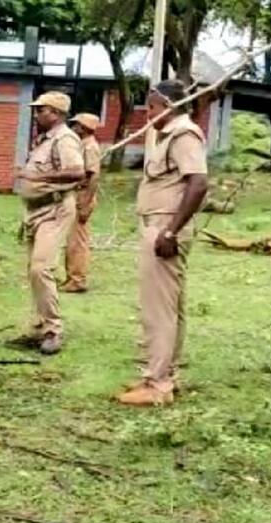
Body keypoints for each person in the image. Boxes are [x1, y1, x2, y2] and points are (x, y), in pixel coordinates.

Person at [118, 80, 208, 406]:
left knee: (159, 310)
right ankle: (164, 374)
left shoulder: (184, 135)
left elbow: (198, 185)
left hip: (165, 227)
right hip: (160, 225)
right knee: (170, 309)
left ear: (169, 105)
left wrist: (169, 232)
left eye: (153, 107)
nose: (148, 113)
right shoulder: (167, 134)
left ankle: (157, 384)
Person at [11, 91, 85, 355]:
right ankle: (40, 326)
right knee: (33, 270)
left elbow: (78, 172)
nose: (36, 114)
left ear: (55, 113)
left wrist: (39, 177)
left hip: (54, 209)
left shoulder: (65, 139)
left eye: (41, 110)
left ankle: (54, 330)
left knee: (41, 269)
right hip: (36, 211)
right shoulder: (44, 140)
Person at [62, 113, 102, 293]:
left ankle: (77, 280)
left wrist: (85, 203)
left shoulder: (90, 147)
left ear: (84, 128)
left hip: (82, 197)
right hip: (77, 196)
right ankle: (71, 277)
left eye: (76, 125)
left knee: (77, 242)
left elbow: (94, 177)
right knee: (72, 240)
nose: (73, 128)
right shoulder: (82, 145)